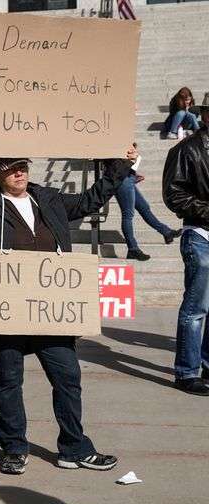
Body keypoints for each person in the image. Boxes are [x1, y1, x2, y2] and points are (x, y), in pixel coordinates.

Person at [0, 141, 136, 475]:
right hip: (8, 314)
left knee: (68, 377)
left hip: (51, 313)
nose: (20, 171)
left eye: (23, 164)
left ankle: (74, 447)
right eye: (11, 166)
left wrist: (121, 165)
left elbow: (90, 200)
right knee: (9, 381)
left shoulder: (48, 198)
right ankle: (14, 448)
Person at [163, 91, 209, 396]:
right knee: (196, 308)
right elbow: (174, 195)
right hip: (201, 234)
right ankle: (187, 371)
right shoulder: (187, 149)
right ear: (206, 116)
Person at [115, 150, 182, 261]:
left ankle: (166, 232)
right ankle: (133, 249)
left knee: (144, 208)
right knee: (128, 214)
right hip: (122, 179)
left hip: (128, 177)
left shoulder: (124, 142)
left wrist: (133, 173)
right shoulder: (115, 143)